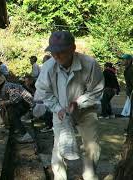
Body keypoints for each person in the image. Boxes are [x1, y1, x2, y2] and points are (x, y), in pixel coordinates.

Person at [35, 31, 104, 180]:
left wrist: (78, 103)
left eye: (61, 52)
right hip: (60, 110)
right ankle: (60, 177)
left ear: (73, 48)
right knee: (59, 148)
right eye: (53, 52)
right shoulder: (48, 67)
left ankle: (89, 176)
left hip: (86, 111)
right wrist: (57, 108)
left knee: (91, 146)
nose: (57, 56)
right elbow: (43, 91)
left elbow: (97, 91)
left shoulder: (89, 64)